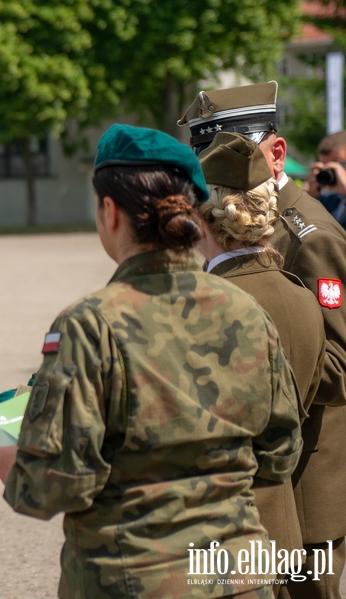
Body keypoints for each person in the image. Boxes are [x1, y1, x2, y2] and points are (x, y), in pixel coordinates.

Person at [0, 124, 303, 599]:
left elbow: (57, 484)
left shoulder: (90, 323)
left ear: (109, 211)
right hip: (240, 578)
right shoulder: (246, 311)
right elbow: (280, 454)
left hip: (134, 579)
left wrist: (16, 465)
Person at [180, 82, 346, 598]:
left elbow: (339, 362)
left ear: (276, 154)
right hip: (261, 477)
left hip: (304, 486)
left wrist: (246, 386)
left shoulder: (309, 236)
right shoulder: (241, 226)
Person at [196, 131, 326, 594]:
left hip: (220, 533)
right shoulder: (298, 295)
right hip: (282, 521)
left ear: (200, 217)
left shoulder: (203, 304)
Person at [307, 131, 346, 226]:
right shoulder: (327, 200)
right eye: (326, 167)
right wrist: (311, 197)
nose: (331, 172)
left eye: (340, 164)